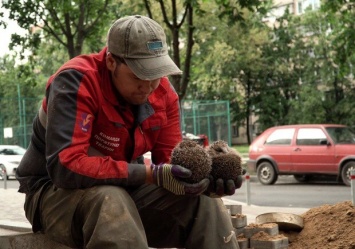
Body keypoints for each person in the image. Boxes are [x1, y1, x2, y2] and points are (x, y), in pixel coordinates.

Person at [16, 15, 242, 249]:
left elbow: (168, 166)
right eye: (137, 75)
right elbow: (66, 167)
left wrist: (203, 178)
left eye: (155, 74)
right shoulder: (76, 81)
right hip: (52, 194)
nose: (148, 86)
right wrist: (149, 174)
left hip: (124, 191)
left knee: (205, 204)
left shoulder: (163, 93)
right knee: (111, 201)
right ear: (112, 62)